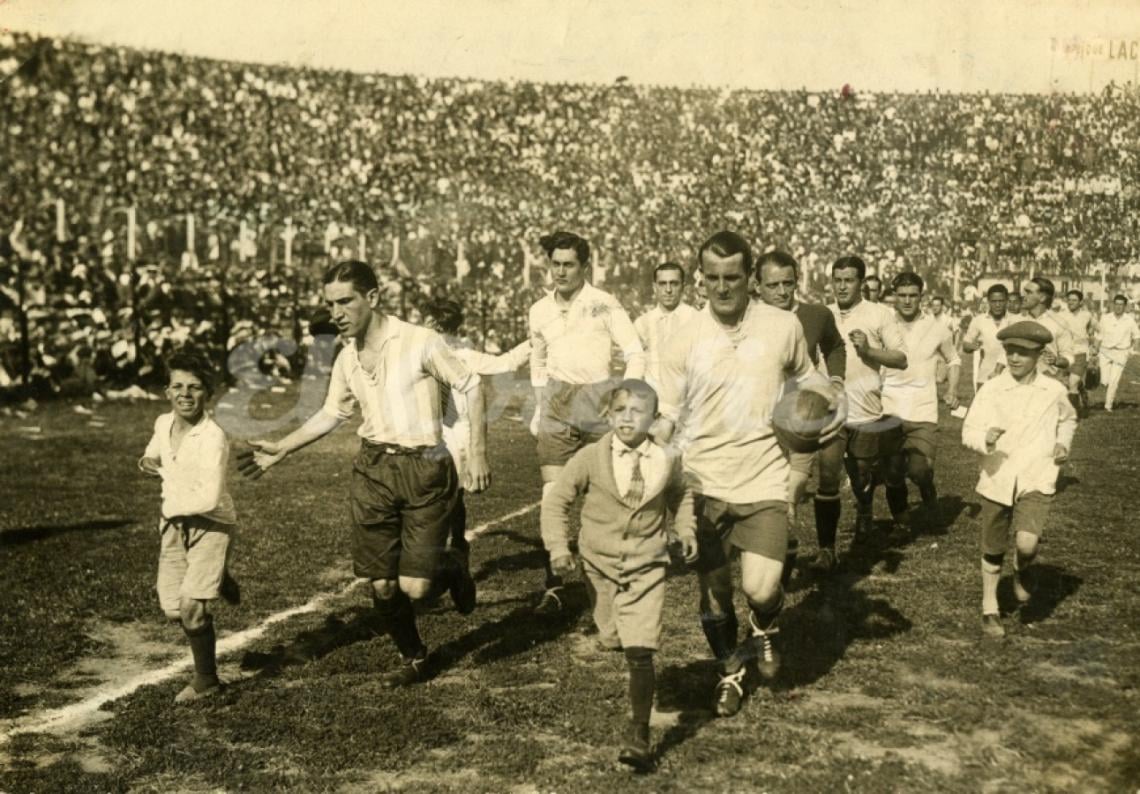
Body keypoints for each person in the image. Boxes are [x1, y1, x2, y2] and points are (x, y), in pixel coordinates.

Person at [237, 261, 491, 688]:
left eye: (345, 301)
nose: (335, 312)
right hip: (374, 469)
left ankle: (452, 565)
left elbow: (472, 386)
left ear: (372, 298)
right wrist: (281, 447)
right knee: (382, 584)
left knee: (416, 589)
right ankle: (414, 657)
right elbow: (332, 412)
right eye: (329, 304)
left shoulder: (420, 341)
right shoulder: (347, 358)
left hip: (425, 466)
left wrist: (479, 453)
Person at [655, 231, 843, 718]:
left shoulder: (781, 326)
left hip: (763, 476)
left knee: (761, 589)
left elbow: (808, 376)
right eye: (713, 278)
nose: (722, 288)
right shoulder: (681, 339)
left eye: (733, 278)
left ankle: (763, 626)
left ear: (749, 278)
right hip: (704, 483)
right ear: (701, 279)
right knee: (714, 597)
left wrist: (831, 397)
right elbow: (667, 417)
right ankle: (730, 674)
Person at [541, 379, 697, 772]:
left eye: (638, 411)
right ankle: (612, 633)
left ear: (654, 419)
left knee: (640, 649)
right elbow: (557, 500)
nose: (628, 418)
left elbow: (683, 495)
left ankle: (639, 734)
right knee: (611, 634)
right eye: (620, 410)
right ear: (608, 415)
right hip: (599, 563)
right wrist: (560, 548)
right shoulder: (591, 457)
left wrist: (686, 529)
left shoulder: (667, 458)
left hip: (648, 563)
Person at [528, 231, 645, 615]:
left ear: (584, 266)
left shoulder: (603, 304)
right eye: (555, 264)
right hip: (558, 405)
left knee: (605, 497)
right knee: (554, 495)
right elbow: (539, 360)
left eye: (568, 264)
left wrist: (627, 398)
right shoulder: (539, 310)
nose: (560, 271)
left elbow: (634, 351)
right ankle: (555, 586)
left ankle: (612, 579)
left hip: (598, 403)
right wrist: (539, 404)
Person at [962, 321, 1076, 638]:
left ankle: (1023, 567)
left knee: (1027, 543)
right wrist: (985, 437)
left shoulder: (1053, 390)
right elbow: (968, 431)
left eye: (1023, 353)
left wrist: (1062, 443)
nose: (1014, 358)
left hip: (1037, 475)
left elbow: (1068, 420)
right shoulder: (992, 388)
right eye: (1010, 351)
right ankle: (990, 607)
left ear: (1039, 355)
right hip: (997, 476)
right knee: (993, 545)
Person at [139, 351, 240, 703]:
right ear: (166, 391)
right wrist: (149, 460)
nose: (185, 394)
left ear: (207, 394)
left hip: (211, 524)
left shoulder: (213, 437)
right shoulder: (162, 423)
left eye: (195, 388)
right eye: (178, 386)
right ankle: (217, 575)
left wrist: (171, 506)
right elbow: (155, 448)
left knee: (192, 610)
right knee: (172, 608)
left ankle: (206, 679)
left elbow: (210, 498)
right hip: (173, 524)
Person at [754, 251, 848, 576]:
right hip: (766, 420)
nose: (782, 291)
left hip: (807, 412)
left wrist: (834, 380)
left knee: (823, 478)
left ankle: (826, 548)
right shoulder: (746, 321)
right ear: (757, 286)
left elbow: (835, 345)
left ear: (797, 282)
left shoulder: (816, 314)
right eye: (773, 285)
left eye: (788, 284)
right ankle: (785, 553)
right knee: (783, 494)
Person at [423, 298, 530, 556]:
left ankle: (456, 543)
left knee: (453, 493)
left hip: (458, 431)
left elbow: (507, 362)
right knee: (435, 492)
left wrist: (534, 341)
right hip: (430, 430)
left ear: (434, 324)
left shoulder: (465, 356)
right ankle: (441, 546)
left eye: (428, 322)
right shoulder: (421, 354)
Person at [828, 255, 908, 545]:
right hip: (833, 407)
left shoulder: (879, 314)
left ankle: (875, 507)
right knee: (841, 468)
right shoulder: (826, 314)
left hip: (866, 405)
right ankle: (863, 513)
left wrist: (869, 351)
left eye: (848, 280)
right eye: (837, 280)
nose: (842, 286)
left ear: (861, 283)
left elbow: (900, 358)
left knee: (865, 468)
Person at [881, 272, 961, 533]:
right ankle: (901, 519)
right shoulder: (883, 325)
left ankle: (927, 487)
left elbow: (954, 360)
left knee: (920, 469)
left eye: (912, 296)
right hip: (888, 407)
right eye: (901, 296)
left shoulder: (937, 328)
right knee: (892, 472)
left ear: (921, 297)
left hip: (923, 409)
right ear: (894, 296)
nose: (906, 301)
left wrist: (952, 389)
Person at [1021, 277, 1074, 386]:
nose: (1023, 296)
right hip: (1020, 380)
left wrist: (1056, 361)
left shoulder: (1059, 323)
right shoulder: (1016, 321)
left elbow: (1069, 357)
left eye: (1029, 293)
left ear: (1042, 298)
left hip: (1047, 380)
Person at [961, 284, 1011, 393]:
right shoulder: (979, 320)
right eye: (994, 301)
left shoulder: (1013, 320)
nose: (997, 305)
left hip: (1010, 376)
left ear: (1006, 301)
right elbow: (965, 344)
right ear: (988, 301)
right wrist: (971, 346)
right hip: (985, 375)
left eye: (1001, 301)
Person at [1095, 294, 1139, 412]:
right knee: (1104, 381)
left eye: (1121, 305)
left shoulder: (1129, 320)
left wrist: (1132, 350)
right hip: (1105, 352)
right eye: (1116, 304)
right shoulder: (1105, 318)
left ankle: (1108, 406)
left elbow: (1137, 336)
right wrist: (1095, 349)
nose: (1118, 307)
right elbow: (1099, 336)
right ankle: (1105, 386)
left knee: (1114, 381)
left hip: (1121, 353)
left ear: (1125, 306)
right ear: (1113, 305)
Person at [1059, 289, 1094, 416]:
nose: (1071, 303)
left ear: (1081, 302)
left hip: (1081, 352)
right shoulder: (1061, 315)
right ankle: (1081, 389)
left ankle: (1073, 413)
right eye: (1069, 300)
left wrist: (1093, 342)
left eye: (1074, 300)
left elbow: (1095, 330)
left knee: (1072, 382)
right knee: (1067, 382)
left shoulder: (1087, 315)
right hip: (1065, 353)